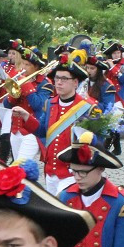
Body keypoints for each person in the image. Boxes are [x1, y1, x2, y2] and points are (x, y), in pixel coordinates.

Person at [34, 54, 94, 195]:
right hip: (50, 171)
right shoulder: (50, 103)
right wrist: (26, 118)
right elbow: (42, 132)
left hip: (72, 174)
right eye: (57, 78)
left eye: (64, 79)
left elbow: (96, 143)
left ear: (75, 83)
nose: (59, 82)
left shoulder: (87, 107)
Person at [4, 46, 49, 165]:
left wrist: (27, 86)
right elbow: (7, 105)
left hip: (32, 132)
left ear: (37, 67)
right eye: (23, 64)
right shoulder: (19, 80)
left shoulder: (45, 84)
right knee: (16, 168)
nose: (23, 68)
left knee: (20, 167)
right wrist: (12, 94)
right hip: (15, 129)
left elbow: (38, 105)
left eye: (27, 65)